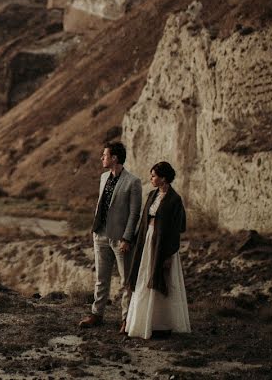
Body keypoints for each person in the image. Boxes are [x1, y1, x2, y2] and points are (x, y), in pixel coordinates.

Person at [79, 142, 142, 330]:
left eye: (104, 155)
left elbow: (134, 214)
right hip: (100, 235)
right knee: (101, 278)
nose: (101, 158)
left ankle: (127, 319)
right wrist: (95, 230)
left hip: (120, 238)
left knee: (126, 281)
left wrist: (127, 238)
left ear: (114, 158)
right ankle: (96, 315)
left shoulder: (133, 182)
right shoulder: (103, 177)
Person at [124, 161, 191, 339]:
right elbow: (144, 221)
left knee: (163, 279)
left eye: (154, 176)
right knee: (145, 276)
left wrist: (169, 254)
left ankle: (163, 323)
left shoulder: (174, 199)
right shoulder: (152, 195)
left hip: (164, 245)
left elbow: (178, 227)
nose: (151, 179)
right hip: (148, 241)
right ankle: (144, 322)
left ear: (163, 178)